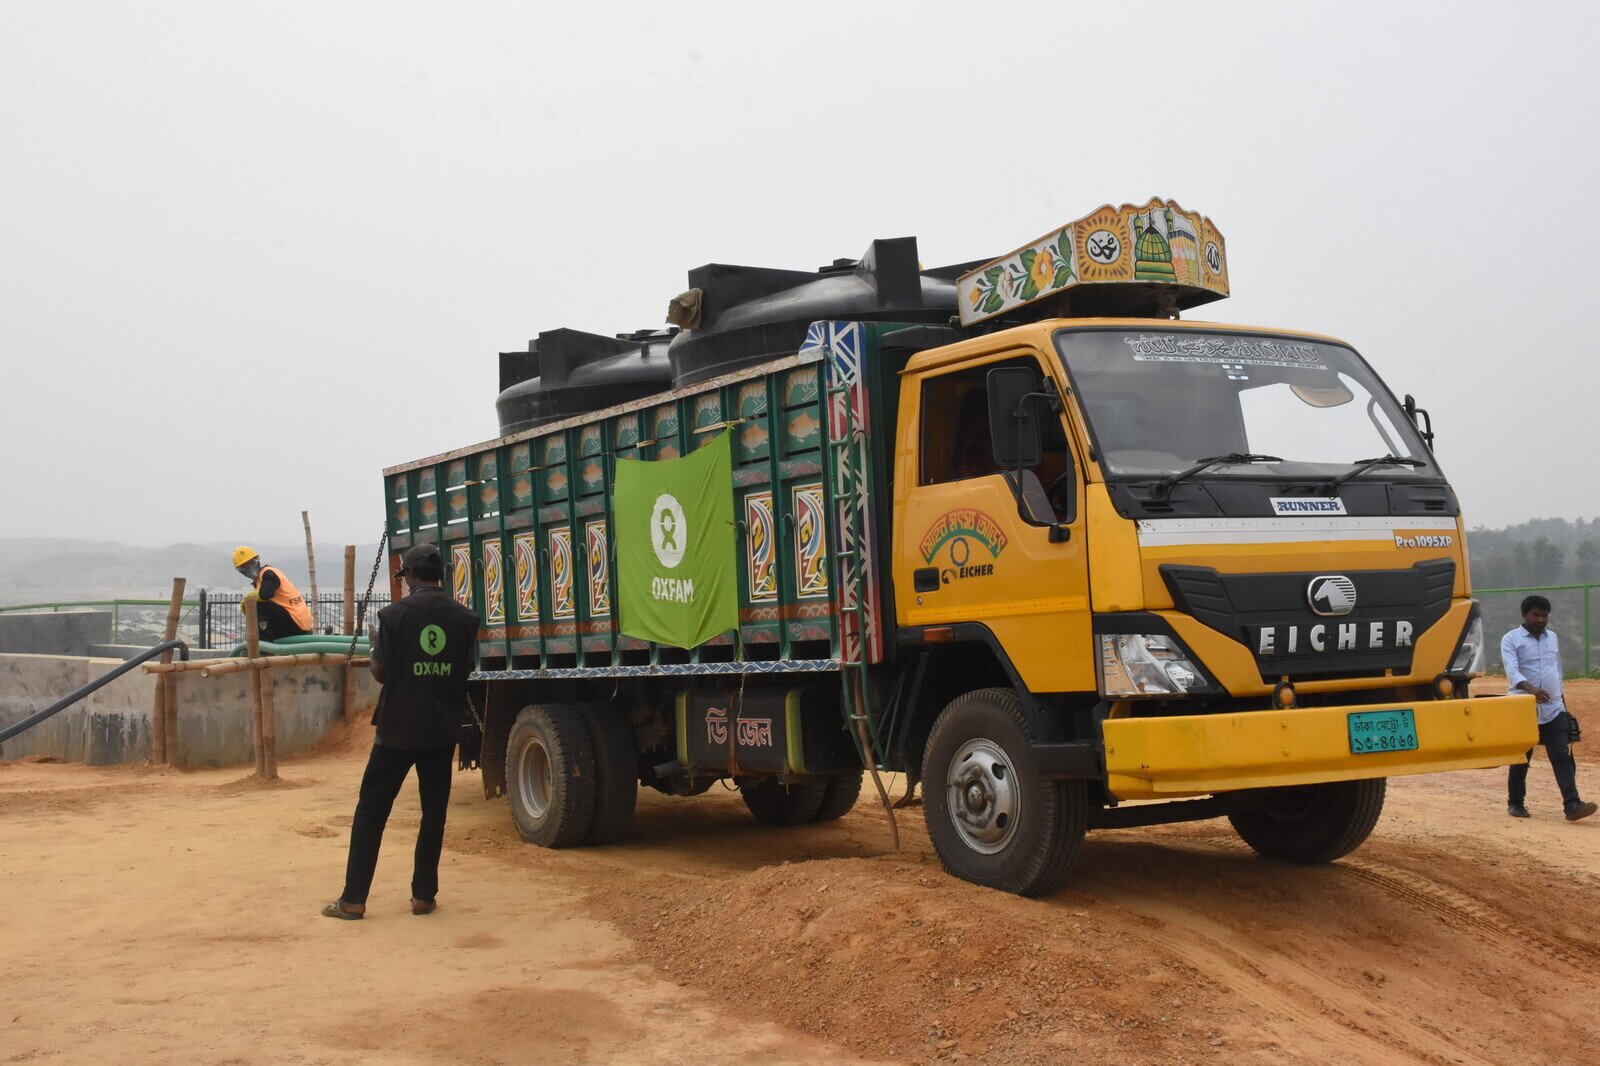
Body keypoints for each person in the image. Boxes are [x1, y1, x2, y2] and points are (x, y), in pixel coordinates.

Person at [323, 542, 479, 920]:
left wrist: (379, 646)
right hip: (442, 729)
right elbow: (467, 668)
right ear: (439, 575)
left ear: (409, 576)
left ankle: (353, 900)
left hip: (396, 730)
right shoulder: (465, 618)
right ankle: (423, 896)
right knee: (433, 812)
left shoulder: (393, 617)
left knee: (371, 812)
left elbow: (381, 673)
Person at [1502, 595, 1596, 821]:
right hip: (1523, 706)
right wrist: (1530, 689)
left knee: (1562, 756)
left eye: (1544, 615)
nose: (1541, 619)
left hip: (1553, 708)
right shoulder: (1511, 639)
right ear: (1524, 614)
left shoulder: (1552, 638)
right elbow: (1511, 669)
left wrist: (1562, 700)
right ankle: (1515, 803)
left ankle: (1572, 805)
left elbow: (1557, 669)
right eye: (1536, 614)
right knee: (1522, 757)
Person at [232, 546, 314, 642]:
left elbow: (264, 594)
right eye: (244, 567)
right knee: (258, 602)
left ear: (257, 560)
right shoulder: (260, 580)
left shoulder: (268, 573)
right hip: (298, 622)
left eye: (251, 563)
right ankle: (268, 640)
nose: (250, 568)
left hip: (296, 624)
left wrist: (248, 599)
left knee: (259, 604)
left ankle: (264, 644)